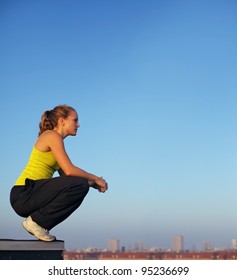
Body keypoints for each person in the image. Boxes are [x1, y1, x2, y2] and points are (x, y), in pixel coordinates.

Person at [10, 104, 108, 242]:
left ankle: (38, 223)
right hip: (24, 192)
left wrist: (93, 184)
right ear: (62, 121)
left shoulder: (56, 140)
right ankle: (37, 222)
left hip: (29, 195)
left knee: (80, 186)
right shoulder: (52, 136)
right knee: (79, 185)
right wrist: (96, 178)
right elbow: (70, 170)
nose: (78, 125)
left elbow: (67, 177)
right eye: (75, 120)